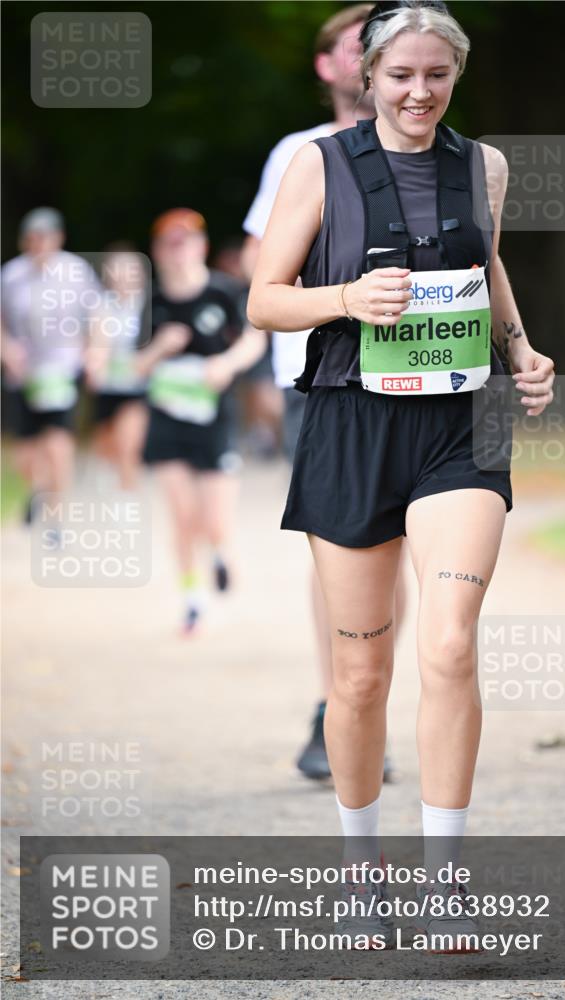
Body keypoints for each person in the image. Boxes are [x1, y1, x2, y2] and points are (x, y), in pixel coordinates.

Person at [248, 0, 555, 948]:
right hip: (349, 420)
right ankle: (358, 871)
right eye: (399, 76)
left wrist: (522, 349)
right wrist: (345, 296)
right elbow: (263, 298)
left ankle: (444, 884)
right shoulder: (319, 164)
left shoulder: (483, 166)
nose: (418, 92)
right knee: (360, 671)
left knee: (451, 644)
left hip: (459, 427)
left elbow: (488, 264)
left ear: (454, 76)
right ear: (367, 76)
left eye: (436, 75)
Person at [243, 1, 402, 781]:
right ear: (331, 65)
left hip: (408, 373)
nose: (365, 55)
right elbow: (260, 270)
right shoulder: (296, 154)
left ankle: (369, 702)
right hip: (316, 374)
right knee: (342, 550)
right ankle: (333, 699)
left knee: (398, 546)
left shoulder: (428, 154)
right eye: (353, 45)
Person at [136, 209, 266, 635]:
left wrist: (225, 364)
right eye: (170, 244)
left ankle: (221, 551)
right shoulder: (150, 303)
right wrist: (159, 349)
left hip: (214, 419)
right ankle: (192, 598)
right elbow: (133, 368)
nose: (178, 251)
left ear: (201, 246)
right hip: (167, 419)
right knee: (183, 515)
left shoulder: (225, 292)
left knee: (214, 519)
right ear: (157, 251)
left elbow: (254, 338)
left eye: (186, 242)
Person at [1, 208, 102, 522]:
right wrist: (7, 350)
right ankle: (38, 488)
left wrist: (95, 354)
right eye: (32, 239)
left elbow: (97, 315)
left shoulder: (76, 271)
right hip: (24, 373)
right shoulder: (11, 275)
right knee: (25, 454)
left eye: (44, 238)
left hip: (62, 368)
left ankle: (57, 517)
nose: (38, 245)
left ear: (58, 239)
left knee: (58, 444)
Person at [213, 237, 283, 460]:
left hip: (263, 352)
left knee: (264, 394)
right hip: (234, 352)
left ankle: (268, 434)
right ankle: (259, 433)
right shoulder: (227, 292)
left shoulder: (253, 289)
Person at [86, 244, 148, 491]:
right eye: (117, 270)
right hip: (108, 386)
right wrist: (95, 362)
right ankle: (118, 483)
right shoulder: (102, 305)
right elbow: (97, 340)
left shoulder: (149, 304)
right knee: (107, 447)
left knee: (128, 443)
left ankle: (128, 493)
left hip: (137, 386)